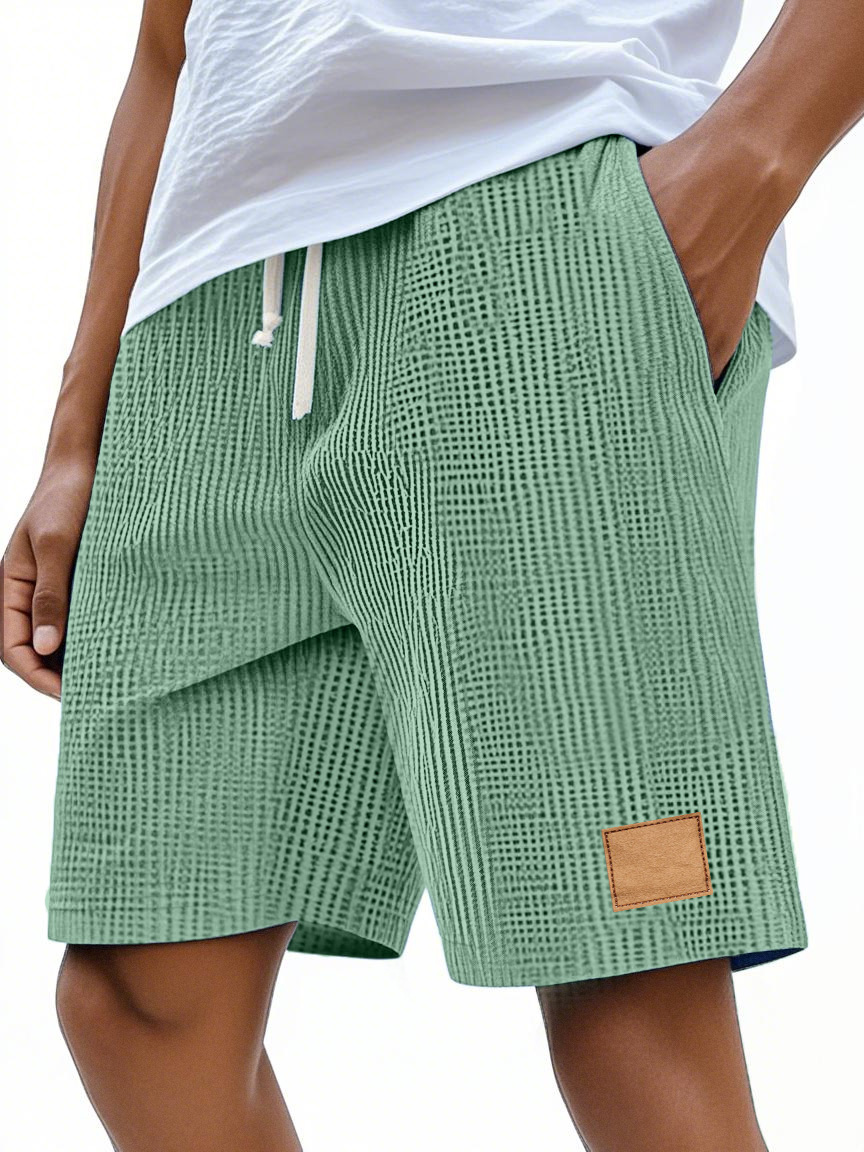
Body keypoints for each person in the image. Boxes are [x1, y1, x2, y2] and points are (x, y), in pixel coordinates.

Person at [0, 1, 859, 1149]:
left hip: (536, 237)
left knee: (631, 963)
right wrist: (78, 427)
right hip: (205, 313)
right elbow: (171, 38)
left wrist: (754, 159)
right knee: (136, 996)